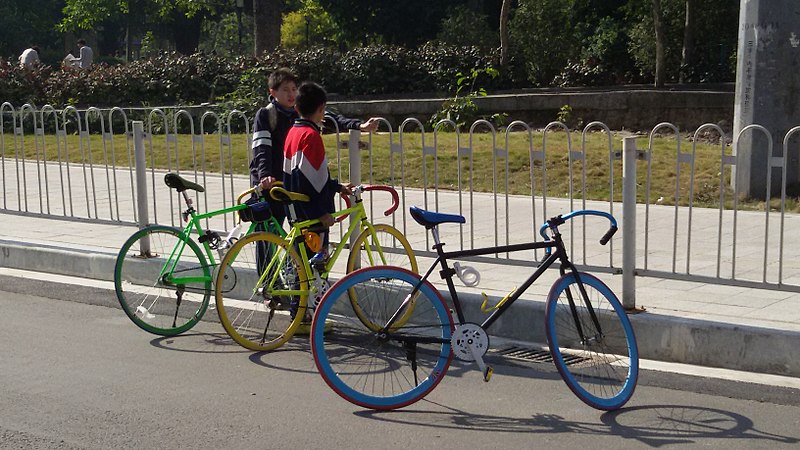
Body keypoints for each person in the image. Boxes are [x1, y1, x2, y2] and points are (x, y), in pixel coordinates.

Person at [249, 67, 379, 228]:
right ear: (273, 92)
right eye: (285, 90)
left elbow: (331, 118)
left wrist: (360, 126)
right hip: (271, 182)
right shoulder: (266, 114)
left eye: (294, 89)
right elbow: (261, 148)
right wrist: (265, 174)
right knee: (268, 234)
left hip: (291, 181)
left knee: (296, 233)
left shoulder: (303, 112)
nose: (291, 94)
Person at [282, 81, 351, 266]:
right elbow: (312, 180)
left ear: (296, 108)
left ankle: (298, 294)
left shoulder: (293, 132)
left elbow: (301, 173)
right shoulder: (311, 136)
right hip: (312, 214)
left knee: (300, 264)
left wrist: (337, 187)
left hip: (295, 207)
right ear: (322, 109)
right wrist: (321, 213)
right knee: (315, 265)